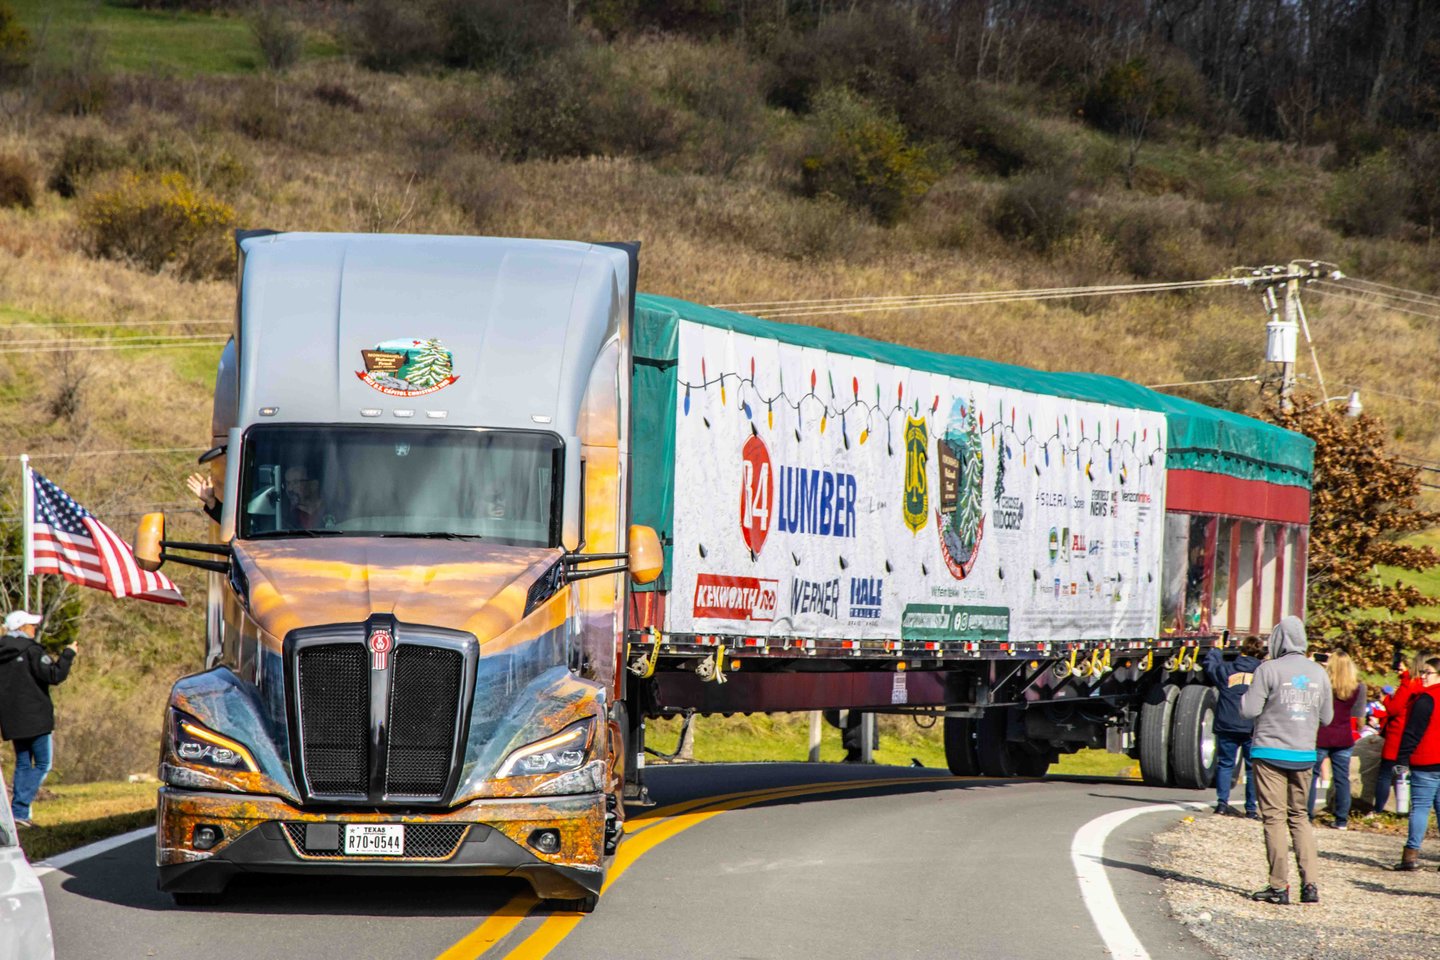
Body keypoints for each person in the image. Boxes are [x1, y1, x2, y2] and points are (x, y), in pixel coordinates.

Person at [1240, 616, 1332, 905]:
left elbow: (1248, 710)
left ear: (1278, 640)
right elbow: (1327, 717)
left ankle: (1279, 886)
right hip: (1304, 753)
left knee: (1274, 819)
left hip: (1269, 752)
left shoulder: (1268, 669)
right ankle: (1311, 885)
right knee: (1299, 818)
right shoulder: (1319, 673)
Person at [0, 611, 78, 827]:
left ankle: (18, 814)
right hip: (36, 717)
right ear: (22, 628)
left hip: (11, 719)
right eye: (31, 625)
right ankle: (20, 809)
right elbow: (54, 675)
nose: (34, 629)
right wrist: (68, 654)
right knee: (43, 764)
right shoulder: (32, 651)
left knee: (23, 764)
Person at [1203, 635, 1265, 818]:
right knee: (1251, 767)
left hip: (1227, 724)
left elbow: (1210, 666)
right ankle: (1251, 809)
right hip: (1251, 727)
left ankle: (1222, 804)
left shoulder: (1227, 670)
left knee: (1225, 764)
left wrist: (1217, 650)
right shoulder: (1262, 673)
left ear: (1242, 650)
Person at [1308, 649, 1366, 829]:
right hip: (1343, 736)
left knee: (1311, 776)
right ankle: (1341, 818)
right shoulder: (1358, 687)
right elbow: (1358, 715)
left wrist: (1313, 665)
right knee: (1342, 779)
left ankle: (1307, 815)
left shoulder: (1322, 684)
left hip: (1321, 734)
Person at [1392, 656, 1440, 872]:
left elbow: (1413, 732)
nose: (1422, 676)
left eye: (1427, 672)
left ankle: (1411, 855)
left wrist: (1402, 759)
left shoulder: (1426, 699)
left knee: (1420, 808)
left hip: (1426, 759)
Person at [1375, 653, 1429, 813]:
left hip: (1399, 734)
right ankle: (1410, 809)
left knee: (1385, 774)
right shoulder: (1426, 686)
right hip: (1416, 736)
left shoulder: (1409, 683)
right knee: (1412, 776)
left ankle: (1379, 808)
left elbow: (1394, 708)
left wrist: (1385, 699)